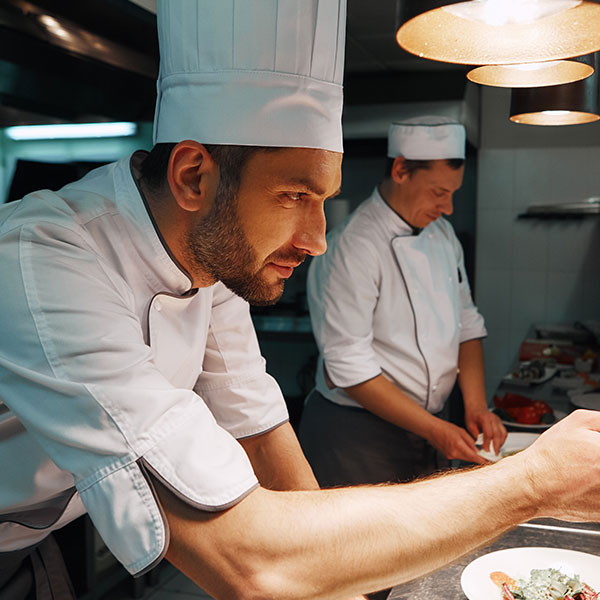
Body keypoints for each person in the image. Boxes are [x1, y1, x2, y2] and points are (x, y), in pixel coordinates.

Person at [1, 3, 600, 600]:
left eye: (323, 199)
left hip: (39, 538)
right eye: (294, 194)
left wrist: (345, 588)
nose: (317, 239)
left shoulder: (212, 262)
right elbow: (246, 563)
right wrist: (535, 481)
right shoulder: (40, 258)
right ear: (192, 176)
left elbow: (261, 431)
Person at [299, 117, 507, 495]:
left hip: (430, 428)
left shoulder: (442, 235)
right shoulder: (353, 245)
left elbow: (468, 324)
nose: (448, 208)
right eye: (439, 192)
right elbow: (349, 367)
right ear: (400, 170)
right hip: (358, 437)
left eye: (453, 193)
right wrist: (434, 429)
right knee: (357, 548)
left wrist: (477, 407)